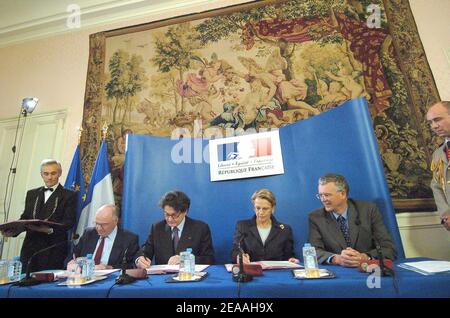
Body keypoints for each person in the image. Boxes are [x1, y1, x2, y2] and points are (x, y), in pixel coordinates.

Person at [1, 159, 76, 272]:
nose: (49, 177)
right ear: (41, 174)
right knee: (24, 284)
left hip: (53, 249)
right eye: (46, 173)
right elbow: (25, 218)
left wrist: (49, 230)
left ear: (59, 173)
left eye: (53, 173)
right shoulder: (31, 194)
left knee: (47, 286)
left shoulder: (69, 195)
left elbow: (69, 222)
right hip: (30, 248)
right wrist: (14, 230)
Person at [308, 173, 397, 266]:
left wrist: (364, 257)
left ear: (343, 194)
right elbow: (312, 252)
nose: (323, 199)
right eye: (320, 195)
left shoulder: (368, 210)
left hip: (368, 269)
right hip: (338, 272)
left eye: (327, 195)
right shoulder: (316, 217)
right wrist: (337, 259)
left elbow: (388, 249)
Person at [135, 191, 215, 267]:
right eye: (166, 214)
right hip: (162, 278)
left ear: (185, 211)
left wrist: (185, 259)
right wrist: (140, 259)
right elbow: (145, 251)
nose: (169, 219)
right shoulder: (157, 228)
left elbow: (209, 259)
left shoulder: (200, 228)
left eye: (174, 215)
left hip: (190, 277)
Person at [231, 189, 298, 264]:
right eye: (258, 208)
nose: (261, 212)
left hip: (277, 273)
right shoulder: (243, 226)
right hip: (252, 272)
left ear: (273, 209)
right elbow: (235, 250)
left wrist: (292, 260)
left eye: (265, 209)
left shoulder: (285, 230)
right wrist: (239, 257)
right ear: (254, 208)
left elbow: (289, 256)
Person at [67, 204, 139, 270]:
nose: (99, 228)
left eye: (103, 224)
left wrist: (110, 268)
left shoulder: (129, 239)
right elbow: (73, 255)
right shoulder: (89, 234)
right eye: (96, 223)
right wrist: (71, 263)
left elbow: (132, 265)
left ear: (115, 221)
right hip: (85, 278)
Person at [426, 101, 450, 225]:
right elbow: (437, 186)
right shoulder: (438, 154)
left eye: (437, 120)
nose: (434, 126)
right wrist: (446, 215)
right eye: (430, 122)